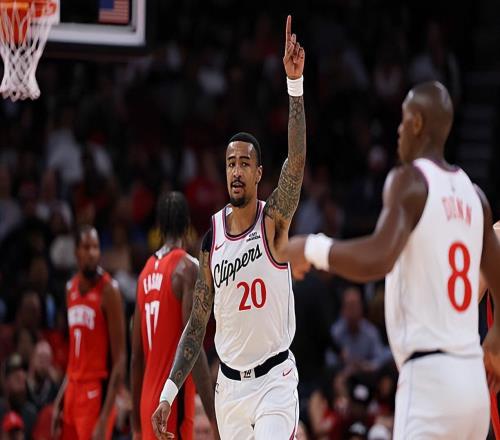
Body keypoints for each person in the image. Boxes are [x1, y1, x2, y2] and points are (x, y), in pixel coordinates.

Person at [286, 81, 500, 438]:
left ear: (417, 123)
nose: (398, 130)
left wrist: (310, 247)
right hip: (472, 384)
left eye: (403, 120)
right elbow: (497, 273)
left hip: (429, 379)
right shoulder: (475, 196)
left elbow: (378, 257)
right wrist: (497, 332)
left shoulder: (409, 181)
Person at [152, 14, 306, 440]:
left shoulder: (273, 221)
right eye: (230, 163)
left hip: (275, 382)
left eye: (244, 164)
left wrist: (294, 85)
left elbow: (296, 163)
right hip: (230, 391)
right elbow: (196, 324)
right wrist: (168, 393)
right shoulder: (211, 241)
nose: (236, 171)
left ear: (258, 174)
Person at [130, 192, 218, 439]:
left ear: (159, 226)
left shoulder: (144, 273)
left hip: (147, 403)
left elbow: (136, 357)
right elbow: (194, 345)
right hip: (171, 404)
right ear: (187, 225)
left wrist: (135, 423)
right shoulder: (187, 268)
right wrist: (213, 417)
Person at [51, 225, 126, 440]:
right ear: (76, 252)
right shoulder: (70, 289)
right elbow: (74, 355)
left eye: (95, 247)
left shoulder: (110, 290)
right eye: (86, 247)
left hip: (95, 391)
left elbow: (120, 359)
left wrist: (105, 417)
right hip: (72, 390)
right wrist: (59, 401)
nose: (92, 253)